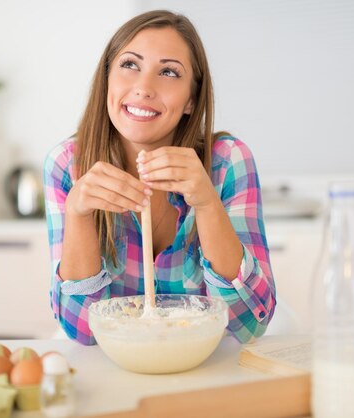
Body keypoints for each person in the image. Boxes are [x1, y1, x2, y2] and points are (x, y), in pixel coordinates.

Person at [43, 10, 275, 345]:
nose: (144, 87)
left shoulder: (227, 162)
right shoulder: (67, 165)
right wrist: (78, 215)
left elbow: (248, 324)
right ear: (107, 77)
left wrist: (208, 203)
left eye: (168, 72)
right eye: (130, 65)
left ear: (191, 101)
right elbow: (83, 332)